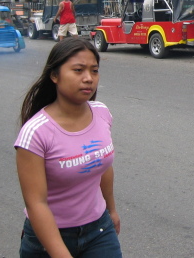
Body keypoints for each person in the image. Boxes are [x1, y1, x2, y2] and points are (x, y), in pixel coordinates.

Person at [14, 37, 122, 258]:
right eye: (78, 70)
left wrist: (111, 210)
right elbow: (36, 204)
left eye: (94, 71)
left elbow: (102, 169)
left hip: (99, 229)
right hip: (48, 238)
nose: (88, 79)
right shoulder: (35, 133)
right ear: (54, 75)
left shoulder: (101, 112)